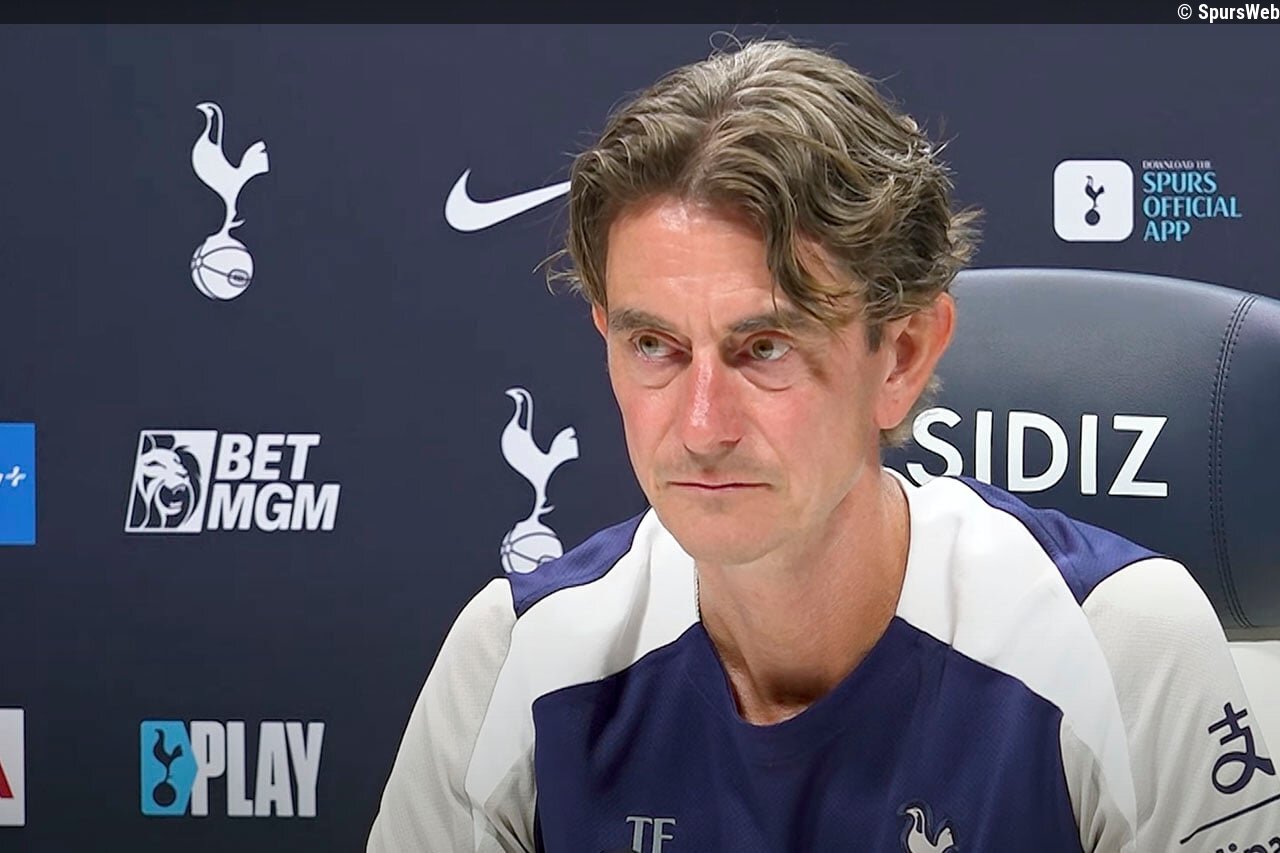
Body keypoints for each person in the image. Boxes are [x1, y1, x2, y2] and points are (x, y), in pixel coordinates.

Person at [368, 38, 1278, 852]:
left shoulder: (1120, 646)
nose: (701, 425)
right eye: (655, 346)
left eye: (765, 347)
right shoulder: (514, 657)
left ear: (903, 355)